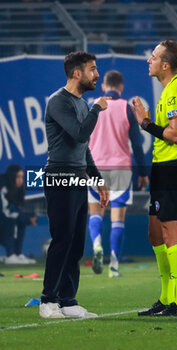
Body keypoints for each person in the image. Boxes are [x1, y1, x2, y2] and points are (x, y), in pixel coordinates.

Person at [40, 51, 110, 319]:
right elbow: (80, 132)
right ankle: (48, 301)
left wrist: (98, 181)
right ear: (77, 73)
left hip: (79, 176)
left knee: (77, 242)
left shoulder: (81, 103)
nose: (97, 74)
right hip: (59, 176)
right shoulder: (58, 102)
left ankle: (68, 301)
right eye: (93, 69)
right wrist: (96, 109)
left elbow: (84, 147)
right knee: (63, 238)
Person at [131, 40, 177, 316]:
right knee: (155, 234)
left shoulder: (175, 91)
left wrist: (145, 124)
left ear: (165, 65)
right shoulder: (169, 90)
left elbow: (176, 134)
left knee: (171, 233)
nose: (149, 60)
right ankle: (166, 297)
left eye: (154, 57)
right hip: (163, 167)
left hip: (173, 168)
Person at [88, 70, 149, 278]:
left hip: (95, 166)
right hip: (121, 168)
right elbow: (137, 144)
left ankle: (97, 245)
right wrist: (142, 171)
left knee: (95, 212)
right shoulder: (126, 108)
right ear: (121, 88)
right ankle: (114, 266)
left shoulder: (92, 105)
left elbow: (82, 139)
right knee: (117, 219)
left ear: (103, 87)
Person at [0, 164, 37, 264]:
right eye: (18, 177)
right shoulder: (2, 186)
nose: (20, 180)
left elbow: (16, 208)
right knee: (12, 219)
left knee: (20, 220)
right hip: (3, 221)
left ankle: (17, 254)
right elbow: (5, 212)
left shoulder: (17, 189)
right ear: (12, 177)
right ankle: (10, 255)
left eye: (22, 177)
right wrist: (26, 218)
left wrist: (29, 217)